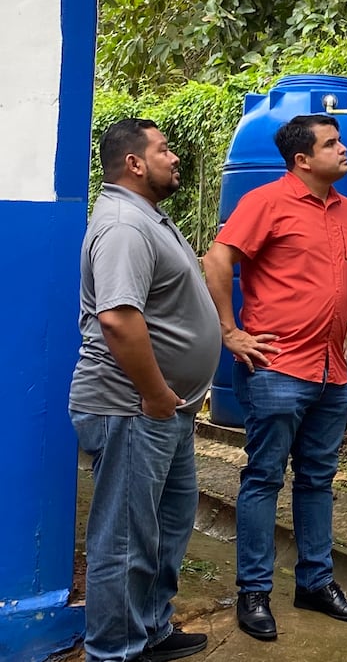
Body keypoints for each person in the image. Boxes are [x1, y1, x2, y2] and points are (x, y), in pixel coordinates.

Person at [202, 114, 347, 642]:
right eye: (331, 144)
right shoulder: (266, 203)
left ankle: (315, 584)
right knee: (264, 478)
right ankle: (253, 592)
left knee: (318, 480)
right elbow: (217, 259)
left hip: (331, 372)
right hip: (277, 369)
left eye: (340, 141)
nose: (343, 149)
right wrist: (230, 332)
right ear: (303, 159)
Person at [69, 119, 222, 662]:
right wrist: (156, 393)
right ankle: (114, 650)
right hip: (132, 407)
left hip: (161, 410)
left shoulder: (146, 217)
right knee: (125, 539)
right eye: (164, 149)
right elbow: (117, 318)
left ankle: (150, 630)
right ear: (134, 163)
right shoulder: (123, 226)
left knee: (168, 526)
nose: (175, 156)